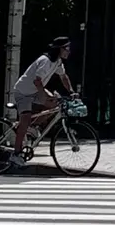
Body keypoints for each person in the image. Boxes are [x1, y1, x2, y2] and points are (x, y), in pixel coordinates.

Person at [9, 36, 73, 169]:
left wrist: (71, 91)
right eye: (67, 48)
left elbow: (63, 77)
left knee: (56, 104)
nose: (69, 51)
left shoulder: (58, 62)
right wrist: (44, 95)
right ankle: (15, 154)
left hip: (36, 90)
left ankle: (33, 127)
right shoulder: (45, 61)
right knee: (25, 119)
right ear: (59, 49)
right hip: (23, 92)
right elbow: (37, 81)